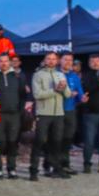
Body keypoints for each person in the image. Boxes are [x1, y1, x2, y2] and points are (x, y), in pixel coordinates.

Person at [29, 52, 72, 180]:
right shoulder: (38, 75)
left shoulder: (60, 74)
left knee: (57, 142)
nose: (51, 61)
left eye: (54, 59)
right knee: (39, 141)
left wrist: (64, 87)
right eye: (49, 58)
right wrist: (55, 90)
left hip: (58, 114)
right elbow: (37, 94)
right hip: (43, 114)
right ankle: (33, 170)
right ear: (45, 60)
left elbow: (68, 95)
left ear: (57, 61)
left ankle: (56, 168)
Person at [0, 54, 25, 179]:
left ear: (10, 62)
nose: (4, 63)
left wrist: (19, 111)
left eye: (6, 61)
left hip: (14, 115)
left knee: (12, 142)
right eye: (1, 61)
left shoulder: (17, 76)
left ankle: (12, 169)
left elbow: (23, 95)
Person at [58, 53, 83, 174]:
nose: (68, 62)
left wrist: (82, 98)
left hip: (70, 111)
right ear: (60, 61)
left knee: (68, 139)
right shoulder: (56, 74)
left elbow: (80, 92)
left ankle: (65, 164)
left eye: (70, 60)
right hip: (57, 111)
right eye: (65, 59)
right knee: (57, 139)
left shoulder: (74, 76)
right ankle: (54, 165)